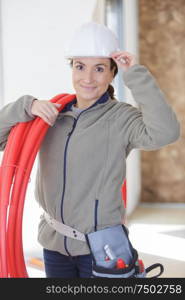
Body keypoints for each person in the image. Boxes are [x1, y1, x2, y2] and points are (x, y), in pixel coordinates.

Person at [0, 22, 180, 278]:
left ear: (111, 74)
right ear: (71, 67)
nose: (87, 78)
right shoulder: (50, 116)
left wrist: (135, 75)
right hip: (54, 245)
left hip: (102, 248)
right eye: (80, 66)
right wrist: (25, 107)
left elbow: (166, 132)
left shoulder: (121, 119)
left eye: (99, 69)